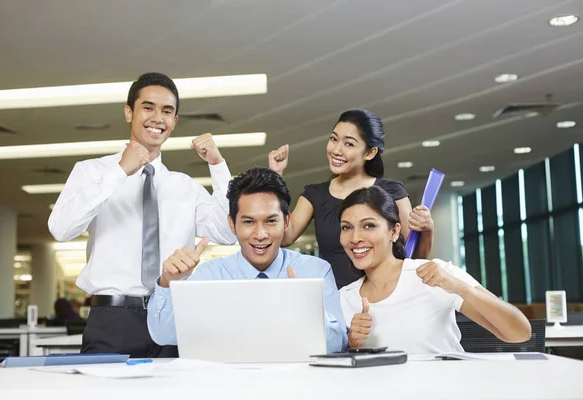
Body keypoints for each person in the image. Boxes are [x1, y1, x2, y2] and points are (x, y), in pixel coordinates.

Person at [48, 72, 237, 358]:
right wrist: (120, 172)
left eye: (167, 111)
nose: (157, 118)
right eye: (148, 107)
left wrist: (218, 165)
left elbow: (227, 232)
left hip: (174, 315)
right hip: (113, 320)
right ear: (129, 112)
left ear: (175, 122)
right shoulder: (93, 172)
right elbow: (61, 229)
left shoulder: (184, 186)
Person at [147, 167, 347, 353]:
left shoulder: (315, 271)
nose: (260, 234)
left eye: (271, 221)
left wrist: (306, 309)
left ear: (286, 221)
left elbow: (337, 344)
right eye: (248, 222)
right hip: (229, 385)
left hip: (293, 384)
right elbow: (164, 336)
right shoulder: (209, 277)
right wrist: (167, 282)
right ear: (232, 224)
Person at [337, 186, 531, 353]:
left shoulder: (434, 274)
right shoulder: (343, 299)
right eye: (346, 228)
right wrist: (351, 344)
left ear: (394, 232)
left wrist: (458, 287)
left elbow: (519, 332)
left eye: (368, 226)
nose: (355, 238)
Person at [269, 108, 434, 289]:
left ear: (370, 153)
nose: (336, 150)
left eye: (349, 144)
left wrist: (427, 229)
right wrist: (275, 178)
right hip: (336, 300)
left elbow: (414, 256)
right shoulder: (314, 195)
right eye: (333, 139)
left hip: (386, 297)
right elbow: (285, 237)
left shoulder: (392, 191)